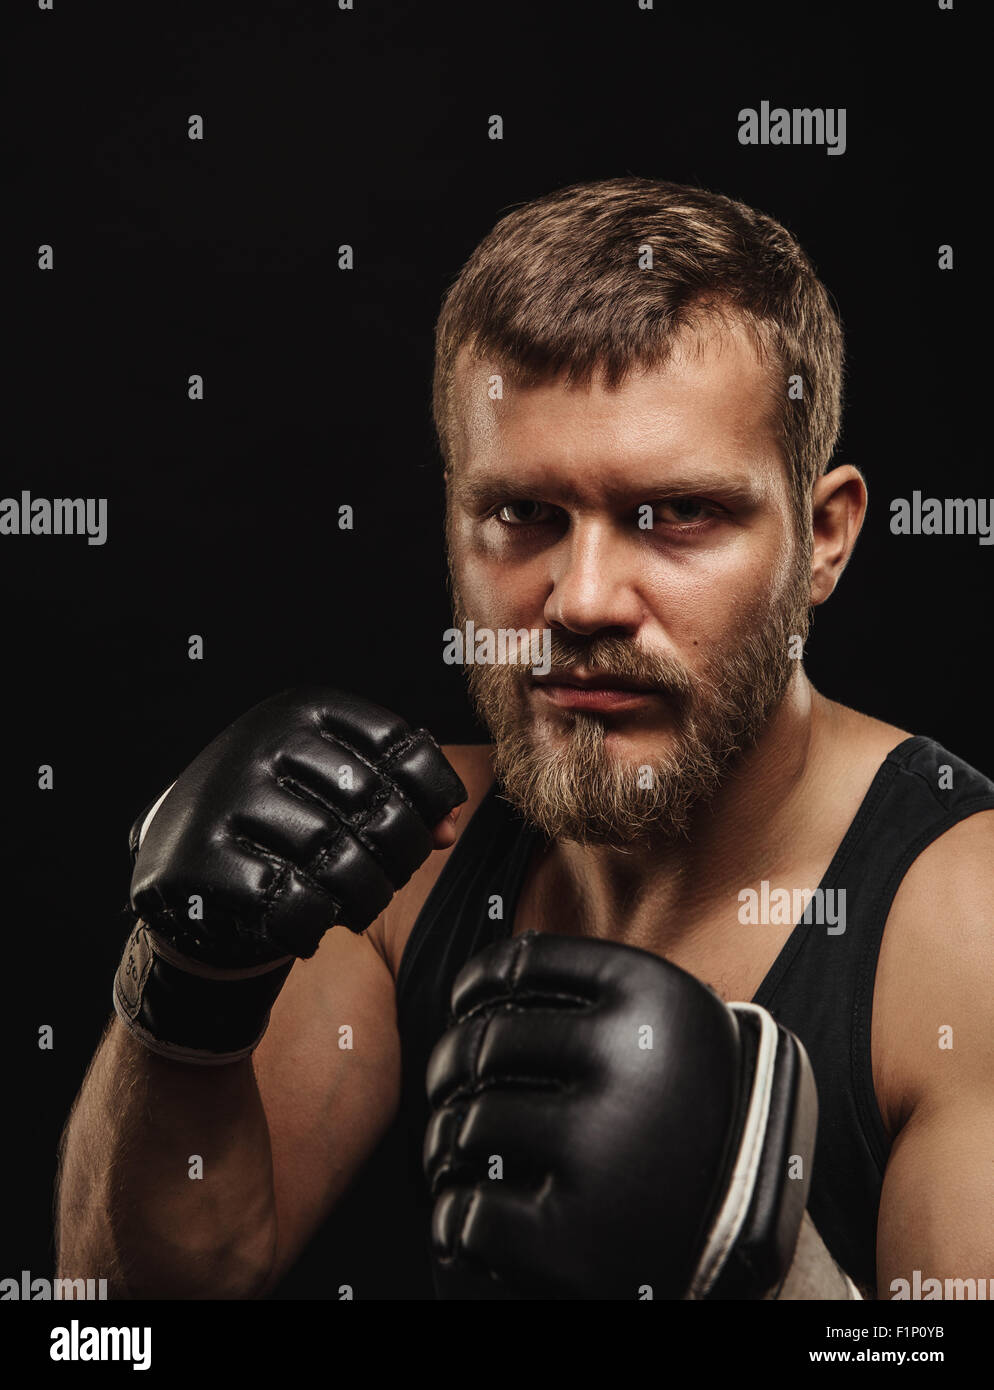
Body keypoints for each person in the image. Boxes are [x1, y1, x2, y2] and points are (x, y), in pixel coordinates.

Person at [56, 177, 994, 1301]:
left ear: (824, 540)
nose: (583, 598)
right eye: (523, 516)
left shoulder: (960, 924)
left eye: (678, 514)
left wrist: (772, 1267)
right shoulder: (400, 848)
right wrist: (180, 990)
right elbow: (123, 1317)